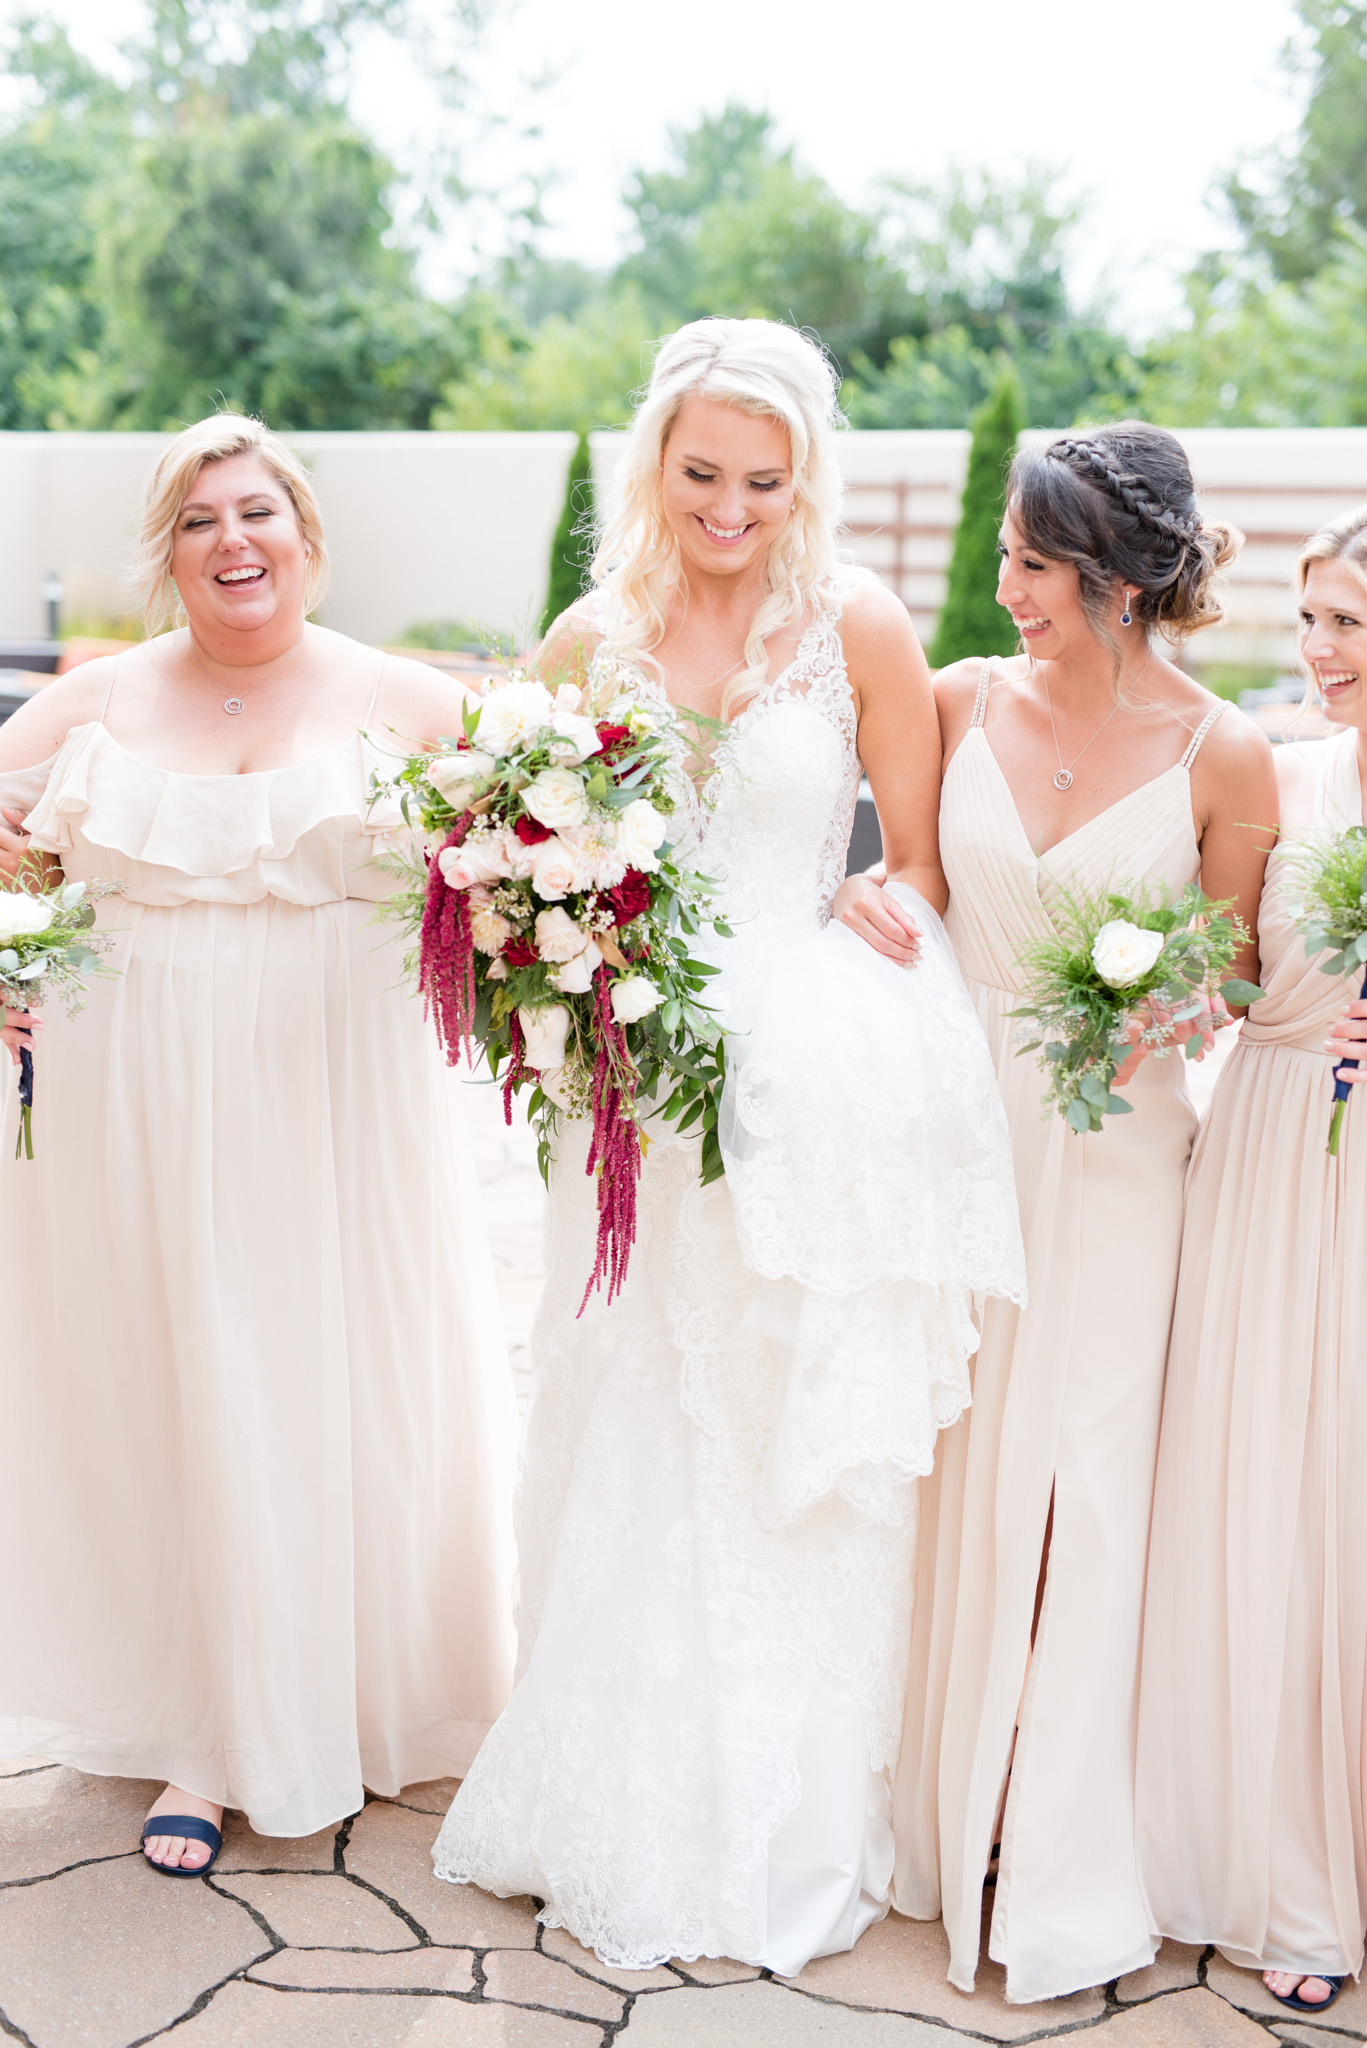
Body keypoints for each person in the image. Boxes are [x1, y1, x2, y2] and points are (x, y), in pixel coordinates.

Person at [431, 318, 1026, 1974]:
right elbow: (496, 850)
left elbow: (921, 867)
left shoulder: (860, 626)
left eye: (766, 481)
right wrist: (557, 958)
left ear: (805, 479)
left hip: (802, 1088)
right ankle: (608, 1788)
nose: (732, 507)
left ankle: (779, 1808)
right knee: (632, 1408)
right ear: (655, 465)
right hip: (635, 1094)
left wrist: (867, 893)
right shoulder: (587, 636)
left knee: (772, 1430)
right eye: (702, 474)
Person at [0, 415, 517, 1875]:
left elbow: (548, 850)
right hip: (133, 1101)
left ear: (306, 535)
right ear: (168, 554)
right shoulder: (96, 701)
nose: (235, 542)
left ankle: (332, 1694)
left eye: (260, 513)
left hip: (332, 1101)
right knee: (177, 1381)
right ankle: (203, 1732)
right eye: (200, 520)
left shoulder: (410, 699)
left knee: (315, 1378)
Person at [841, 423, 1277, 2001]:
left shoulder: (1224, 751)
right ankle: (943, 1799)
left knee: (1085, 1491)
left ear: (1106, 579)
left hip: (1119, 1162)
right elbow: (905, 880)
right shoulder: (959, 698)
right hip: (957, 1140)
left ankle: (1058, 1821)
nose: (1003, 587)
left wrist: (1176, 997)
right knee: (953, 1464)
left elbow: (1232, 963)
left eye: (1029, 565)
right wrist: (858, 898)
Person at [1136, 509, 1367, 2014]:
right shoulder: (1279, 773)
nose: (1319, 651)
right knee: (1257, 1498)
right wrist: (1140, 986)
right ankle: (1272, 1858)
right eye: (1311, 618)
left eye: (1348, 623)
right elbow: (1219, 972)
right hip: (1272, 1152)